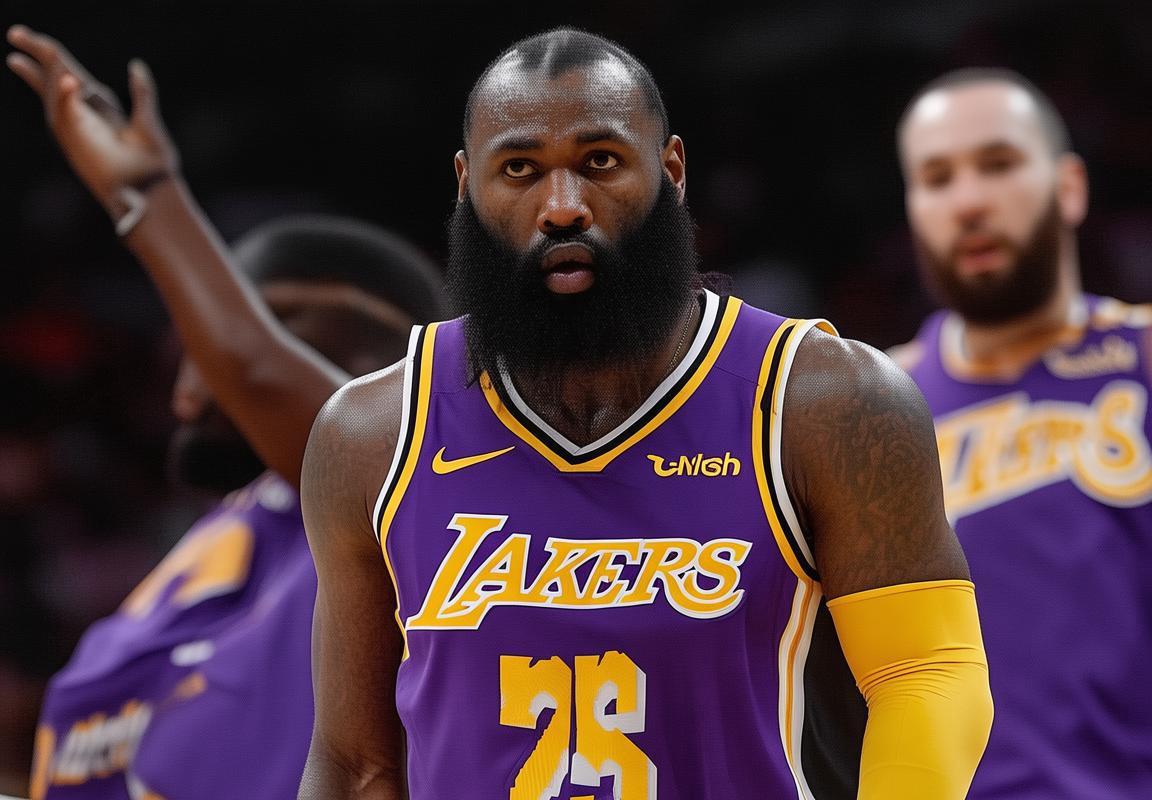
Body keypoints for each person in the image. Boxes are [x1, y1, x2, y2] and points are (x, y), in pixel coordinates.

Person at [9, 25, 993, 800]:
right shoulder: (372, 432)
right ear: (468, 187)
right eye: (520, 169)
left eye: (600, 161)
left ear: (671, 171)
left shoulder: (823, 396)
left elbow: (928, 670)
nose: (562, 204)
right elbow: (357, 764)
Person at [24, 215, 443, 800]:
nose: (205, 365)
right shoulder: (227, 536)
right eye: (191, 341)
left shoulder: (415, 512)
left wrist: (143, 199)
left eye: (254, 328)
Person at [892, 67, 1152, 800]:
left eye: (998, 164)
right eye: (937, 179)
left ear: (1069, 187)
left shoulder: (1143, 354)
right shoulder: (870, 409)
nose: (969, 201)